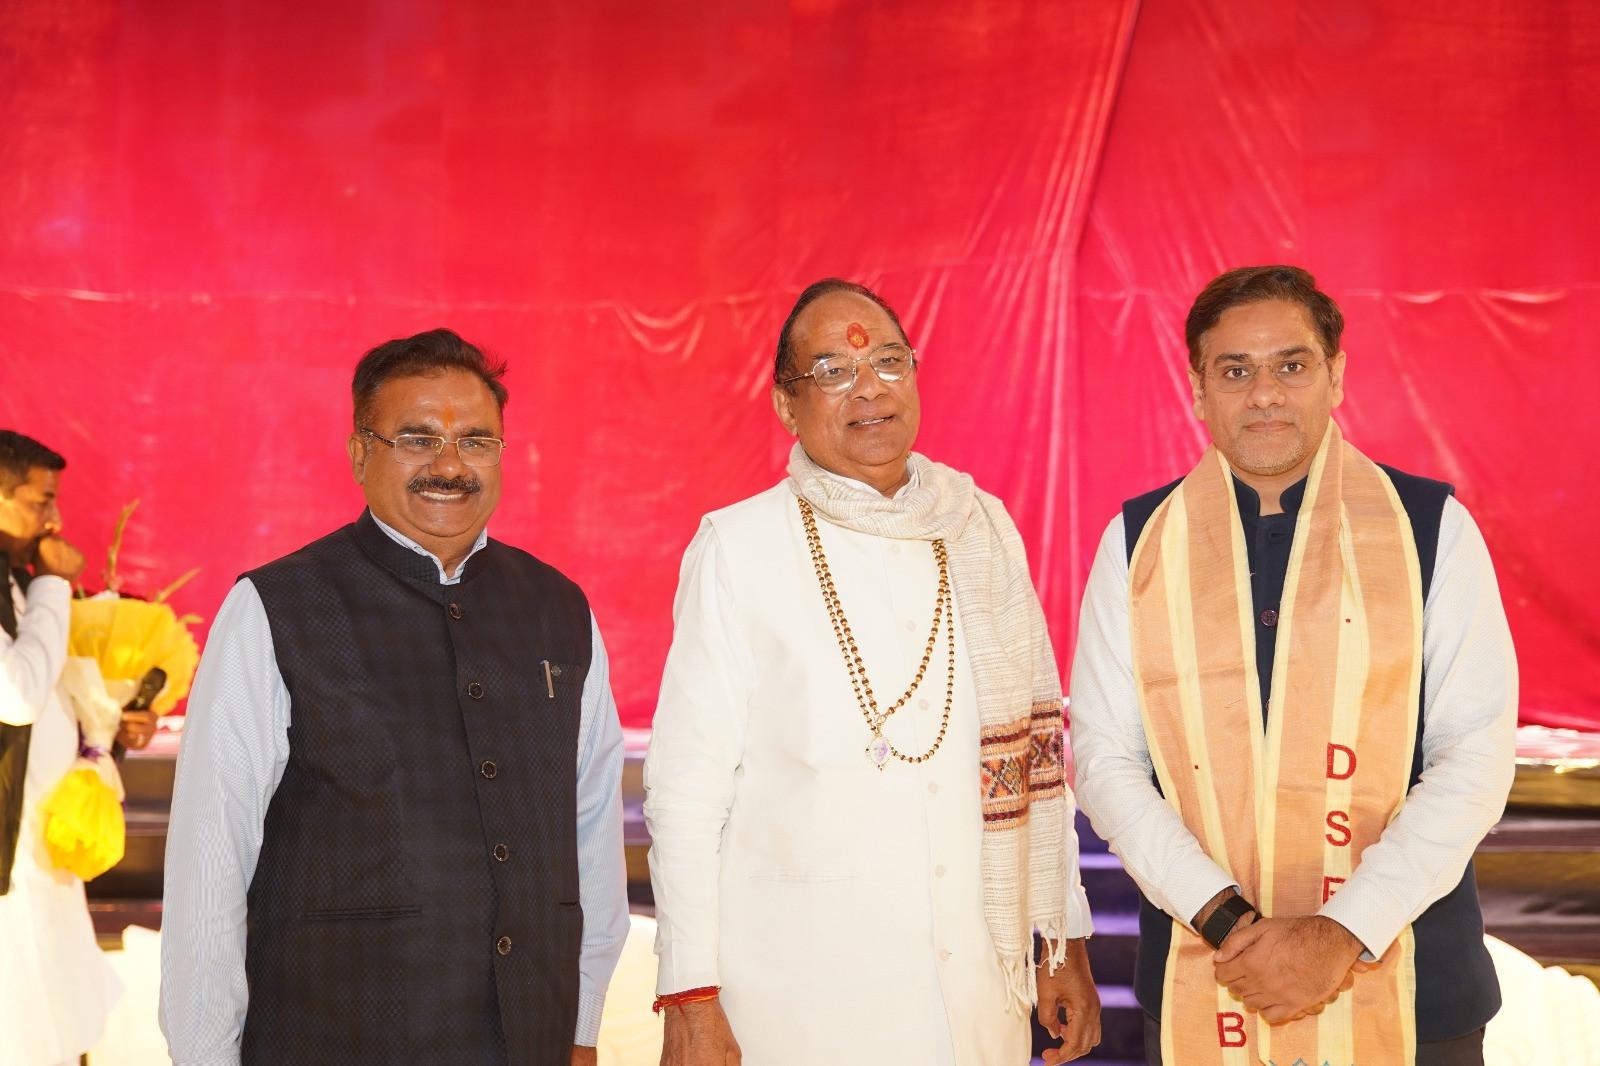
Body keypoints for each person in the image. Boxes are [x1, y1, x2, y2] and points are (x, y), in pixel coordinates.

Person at [1069, 265, 1517, 1065]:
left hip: (1417, 991)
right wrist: (1227, 921)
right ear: (1197, 389)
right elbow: (1106, 762)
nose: (1265, 394)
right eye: (1235, 371)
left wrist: (1342, 931)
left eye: (1291, 365)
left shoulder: (1431, 529)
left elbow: (1474, 755)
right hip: (1206, 972)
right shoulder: (1138, 545)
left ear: (1335, 375)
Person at [644, 279, 1100, 1066]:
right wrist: (689, 994)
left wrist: (1065, 942)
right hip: (801, 1000)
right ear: (786, 404)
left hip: (976, 991)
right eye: (832, 371)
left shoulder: (984, 528)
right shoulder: (740, 548)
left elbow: (1038, 762)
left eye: (889, 361)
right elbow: (685, 791)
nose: (869, 389)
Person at [160, 330, 629, 1065]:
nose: (450, 465)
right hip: (331, 1039)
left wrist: (581, 1024)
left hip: (527, 1038)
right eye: (417, 439)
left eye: (476, 441)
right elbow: (210, 860)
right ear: (359, 455)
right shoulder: (276, 608)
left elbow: (591, 825)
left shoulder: (558, 608)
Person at [0, 430, 123, 1065]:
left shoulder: (15, 584)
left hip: (37, 845)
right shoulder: (34, 583)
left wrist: (105, 727)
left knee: (55, 1014)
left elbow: (45, 696)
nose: (54, 520)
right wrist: (52, 584)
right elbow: (16, 694)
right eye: (39, 501)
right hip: (10, 860)